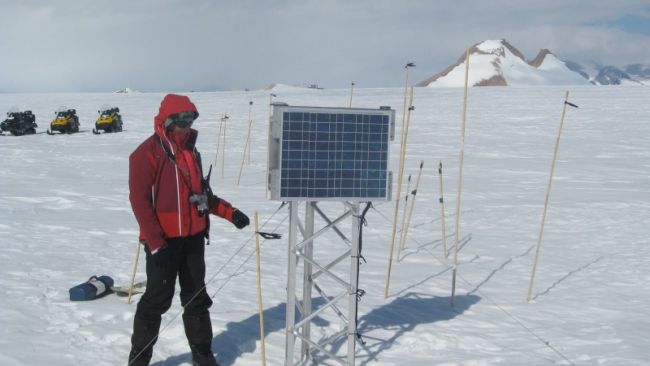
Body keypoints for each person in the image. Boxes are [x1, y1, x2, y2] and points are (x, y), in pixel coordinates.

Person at [127, 94, 249, 366]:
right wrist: (156, 243)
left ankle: (203, 355)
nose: (186, 125)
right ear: (167, 121)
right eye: (181, 120)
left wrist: (231, 213)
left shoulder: (192, 152)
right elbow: (140, 201)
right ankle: (139, 359)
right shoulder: (147, 152)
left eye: (190, 119)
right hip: (164, 242)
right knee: (157, 300)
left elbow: (202, 194)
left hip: (193, 239)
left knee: (196, 298)